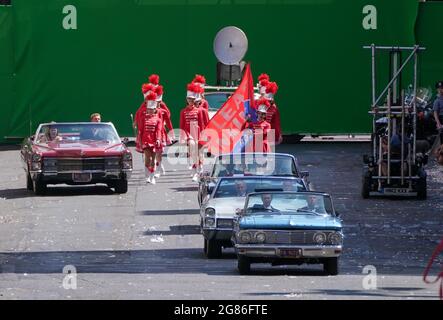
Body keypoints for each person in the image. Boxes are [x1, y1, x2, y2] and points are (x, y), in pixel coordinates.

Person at [179, 83, 209, 182]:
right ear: (186, 100)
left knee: (199, 152)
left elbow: (202, 124)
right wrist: (182, 136)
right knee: (192, 149)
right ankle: (195, 170)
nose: (190, 101)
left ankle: (199, 168)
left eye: (192, 99)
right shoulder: (183, 111)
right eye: (189, 99)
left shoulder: (200, 111)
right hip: (189, 133)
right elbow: (182, 125)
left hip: (198, 133)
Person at [136, 92, 163, 184]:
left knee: (153, 159)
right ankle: (147, 176)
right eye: (149, 109)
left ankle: (152, 176)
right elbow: (140, 130)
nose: (150, 111)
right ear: (147, 109)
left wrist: (159, 139)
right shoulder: (143, 118)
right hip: (145, 140)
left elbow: (159, 130)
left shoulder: (158, 120)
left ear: (155, 109)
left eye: (152, 109)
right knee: (148, 158)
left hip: (155, 141)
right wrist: (139, 141)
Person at [153, 85, 174, 178]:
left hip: (160, 133)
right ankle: (158, 165)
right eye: (155, 101)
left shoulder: (163, 109)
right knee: (152, 152)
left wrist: (171, 131)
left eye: (158, 102)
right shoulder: (148, 109)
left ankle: (158, 166)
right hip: (150, 133)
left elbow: (168, 117)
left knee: (159, 152)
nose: (157, 103)